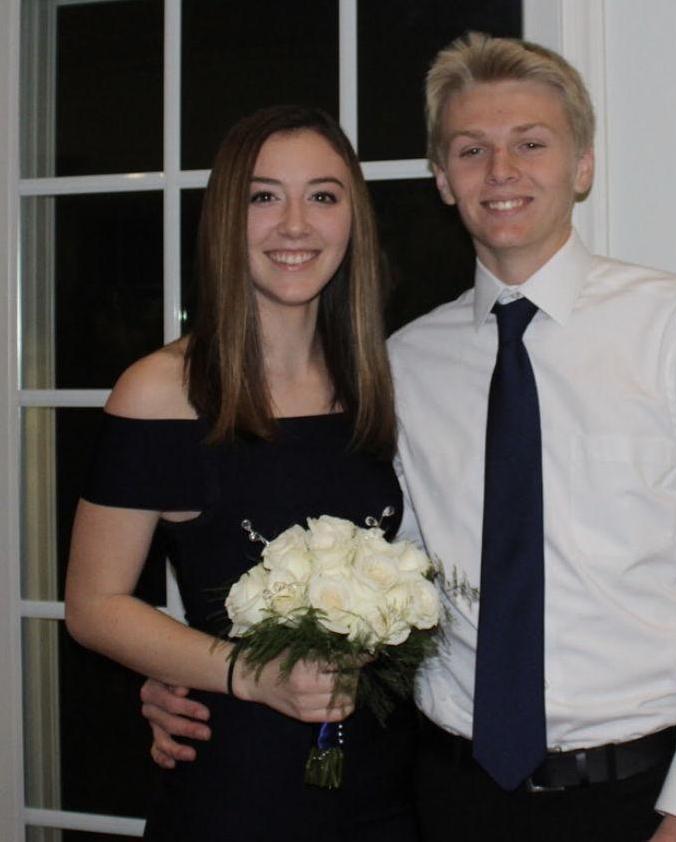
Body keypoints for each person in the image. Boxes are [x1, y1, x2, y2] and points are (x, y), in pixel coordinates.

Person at [141, 33, 676, 842]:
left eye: (532, 144)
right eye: (472, 149)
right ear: (443, 179)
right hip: (445, 793)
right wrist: (201, 672)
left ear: (582, 166)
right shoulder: (402, 364)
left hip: (638, 796)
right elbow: (373, 572)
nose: (501, 171)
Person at [65, 105, 418, 842]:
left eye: (322, 195)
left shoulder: (382, 382)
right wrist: (247, 672)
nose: (295, 224)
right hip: (238, 790)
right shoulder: (162, 392)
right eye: (264, 196)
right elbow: (94, 605)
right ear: (228, 217)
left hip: (392, 788)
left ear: (353, 218)